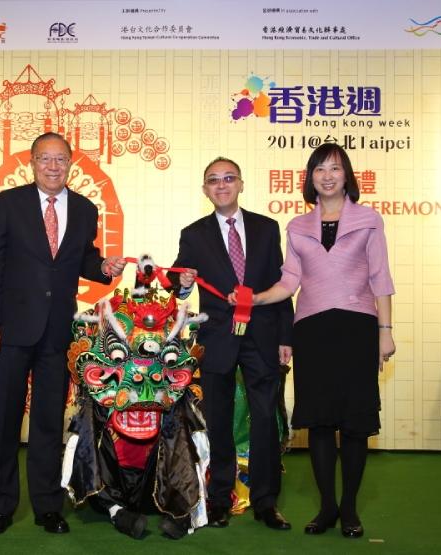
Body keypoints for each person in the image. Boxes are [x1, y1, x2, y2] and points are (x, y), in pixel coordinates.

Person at [241, 143, 395, 539]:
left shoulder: (369, 220)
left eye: (335, 168)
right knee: (321, 422)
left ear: (347, 175)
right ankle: (327, 506)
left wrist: (385, 332)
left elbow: (381, 280)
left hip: (358, 328)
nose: (327, 176)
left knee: (355, 423)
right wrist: (255, 298)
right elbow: (290, 281)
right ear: (310, 178)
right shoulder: (297, 226)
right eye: (319, 169)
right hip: (311, 329)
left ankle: (349, 509)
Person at [0, 132, 126, 536]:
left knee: (47, 422)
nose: (53, 166)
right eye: (45, 158)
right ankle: (1, 506)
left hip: (57, 332)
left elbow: (85, 259)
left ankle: (47, 505)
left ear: (70, 163)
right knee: (4, 421)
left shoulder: (84, 208)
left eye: (61, 159)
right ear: (32, 161)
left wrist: (103, 270)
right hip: (11, 328)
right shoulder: (9, 203)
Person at [170, 156, 294, 531]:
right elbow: (177, 281)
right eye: (213, 180)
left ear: (241, 184)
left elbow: (281, 286)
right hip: (218, 339)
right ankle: (221, 499)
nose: (221, 185)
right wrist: (185, 282)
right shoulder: (193, 234)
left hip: (263, 336)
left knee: (264, 422)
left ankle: (266, 502)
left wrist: (286, 336)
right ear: (205, 189)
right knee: (219, 422)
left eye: (228, 178)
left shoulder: (266, 228)